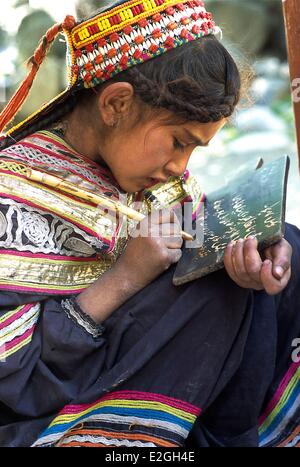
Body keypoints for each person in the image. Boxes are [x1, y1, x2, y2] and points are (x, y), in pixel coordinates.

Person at [0, 0, 298, 448]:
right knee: (207, 292)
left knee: (284, 245)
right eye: (179, 142)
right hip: (52, 412)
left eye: (195, 151)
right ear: (116, 103)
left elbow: (204, 236)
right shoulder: (13, 195)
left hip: (158, 376)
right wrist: (126, 277)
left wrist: (248, 255)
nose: (181, 168)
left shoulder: (157, 185)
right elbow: (11, 373)